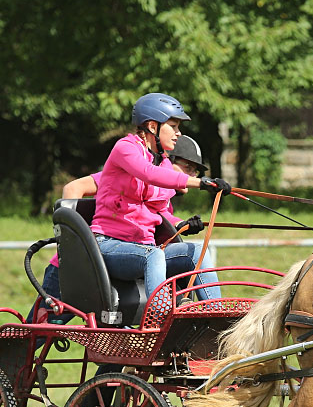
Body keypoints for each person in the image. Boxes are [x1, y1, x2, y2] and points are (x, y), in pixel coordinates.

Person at [90, 92, 232, 303]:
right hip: (109, 246)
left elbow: (160, 210)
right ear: (152, 126)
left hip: (144, 248)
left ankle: (213, 313)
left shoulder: (163, 161)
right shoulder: (125, 148)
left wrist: (181, 224)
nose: (178, 133)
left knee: (196, 251)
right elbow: (149, 173)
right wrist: (201, 182)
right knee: (153, 254)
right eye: (173, 127)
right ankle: (163, 314)